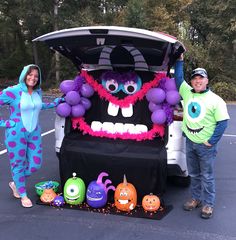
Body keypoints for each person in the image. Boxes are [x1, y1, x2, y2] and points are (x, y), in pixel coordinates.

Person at [174, 54, 230, 219]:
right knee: (194, 174)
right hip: (190, 142)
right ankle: (196, 199)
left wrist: (211, 141)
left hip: (206, 146)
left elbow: (223, 123)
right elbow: (178, 78)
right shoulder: (187, 92)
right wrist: (179, 61)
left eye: (201, 78)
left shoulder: (216, 100)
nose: (197, 81)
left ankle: (208, 204)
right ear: (191, 82)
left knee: (207, 176)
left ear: (207, 81)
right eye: (195, 79)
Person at [0, 64, 63, 208]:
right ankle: (23, 194)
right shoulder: (13, 91)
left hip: (34, 132)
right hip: (16, 134)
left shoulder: (38, 91)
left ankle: (16, 183)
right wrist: (5, 123)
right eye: (30, 74)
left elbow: (38, 106)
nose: (33, 78)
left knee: (35, 164)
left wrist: (55, 102)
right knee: (18, 164)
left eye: (36, 76)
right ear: (24, 75)